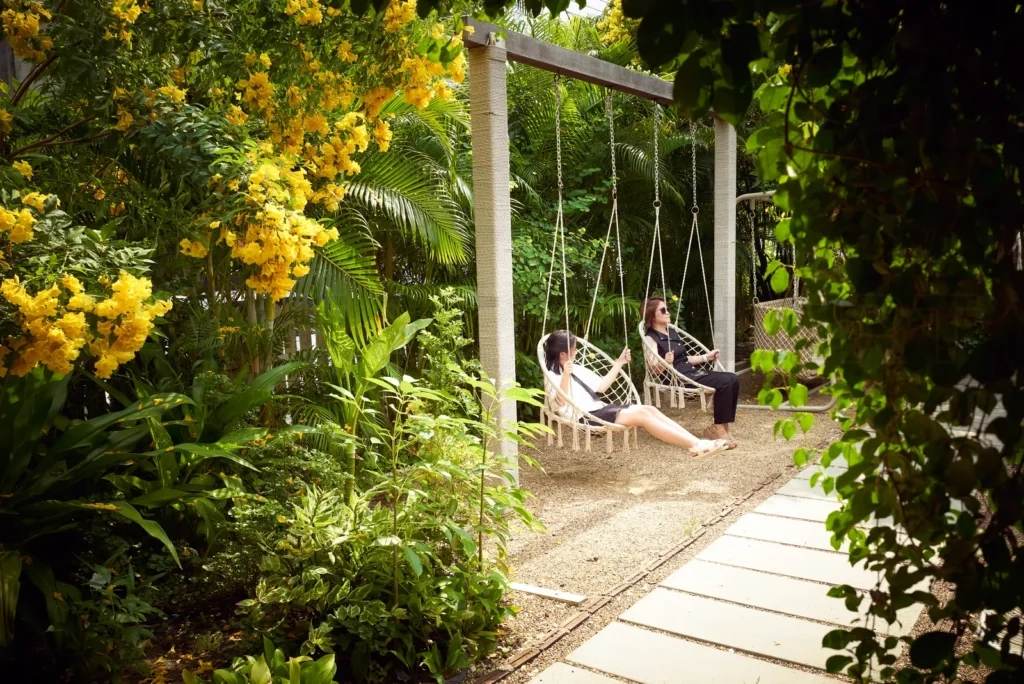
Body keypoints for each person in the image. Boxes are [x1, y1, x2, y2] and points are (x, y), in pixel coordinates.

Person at [543, 330, 728, 457]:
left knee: (648, 409)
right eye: (574, 349)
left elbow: (602, 387)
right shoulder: (551, 376)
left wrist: (619, 362)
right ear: (562, 354)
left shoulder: (577, 368)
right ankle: (695, 445)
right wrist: (566, 375)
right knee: (641, 415)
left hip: (600, 409)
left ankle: (697, 443)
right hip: (584, 417)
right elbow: (562, 401)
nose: (576, 351)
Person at [643, 296, 740, 449]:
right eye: (663, 310)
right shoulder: (650, 338)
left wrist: (706, 357)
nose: (668, 312)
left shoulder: (672, 333)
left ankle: (721, 427)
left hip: (690, 372)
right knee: (725, 382)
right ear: (651, 315)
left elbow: (684, 358)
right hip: (677, 378)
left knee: (733, 378)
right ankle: (720, 430)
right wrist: (665, 362)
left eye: (668, 309)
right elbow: (653, 368)